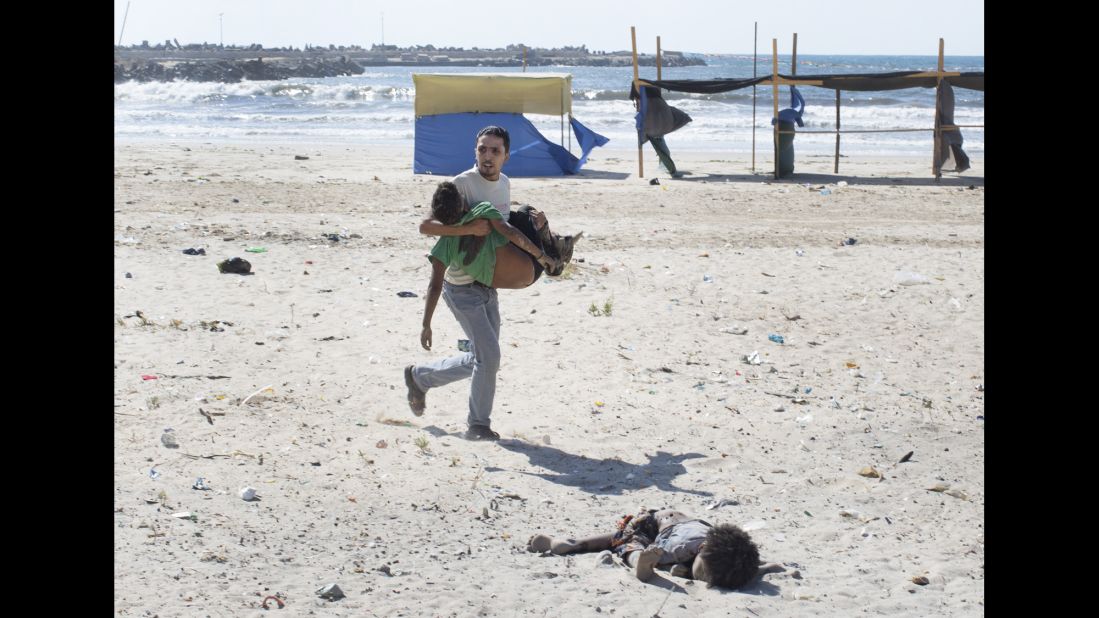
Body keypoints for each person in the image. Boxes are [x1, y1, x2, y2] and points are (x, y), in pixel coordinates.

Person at [403, 181, 564, 441]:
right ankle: (478, 425)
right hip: (462, 296)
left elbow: (511, 232)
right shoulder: (446, 242)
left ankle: (420, 378)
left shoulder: (483, 212)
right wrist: (426, 324)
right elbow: (435, 285)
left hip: (486, 288)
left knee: (483, 359)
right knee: (488, 359)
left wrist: (541, 256)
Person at [418, 126, 580, 277]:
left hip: (505, 244)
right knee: (522, 218)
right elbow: (425, 226)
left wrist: (538, 226)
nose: (487, 156)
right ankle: (555, 249)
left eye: (495, 151)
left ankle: (554, 243)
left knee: (527, 213)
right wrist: (469, 229)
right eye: (482, 150)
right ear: (475, 152)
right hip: (479, 257)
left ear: (506, 156)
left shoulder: (504, 182)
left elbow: (505, 224)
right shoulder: (460, 183)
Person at [526, 508, 784, 589]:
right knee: (630, 542)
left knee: (626, 546)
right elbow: (745, 566)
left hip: (656, 523)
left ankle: (566, 544)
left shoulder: (720, 546)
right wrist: (763, 568)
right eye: (703, 571)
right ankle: (568, 545)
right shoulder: (683, 548)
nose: (702, 577)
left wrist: (763, 568)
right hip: (649, 527)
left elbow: (743, 564)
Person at [630, 84, 692, 178]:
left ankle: (668, 169)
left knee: (660, 145)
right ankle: (667, 168)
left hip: (652, 124)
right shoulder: (654, 93)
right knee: (661, 145)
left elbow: (636, 102)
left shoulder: (644, 97)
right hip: (663, 120)